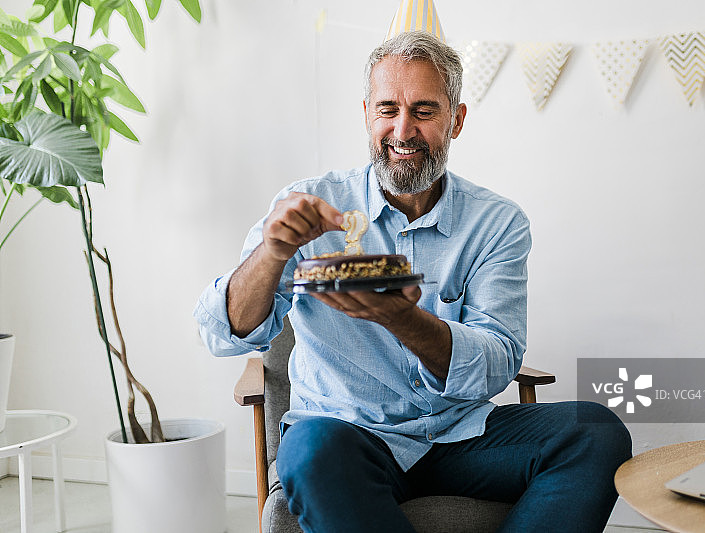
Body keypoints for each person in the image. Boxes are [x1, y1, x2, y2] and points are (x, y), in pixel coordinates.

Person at [194, 31, 631, 533]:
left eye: (424, 111)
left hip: (460, 436)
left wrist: (404, 319)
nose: (403, 130)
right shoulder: (307, 204)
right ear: (366, 115)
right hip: (349, 438)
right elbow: (221, 334)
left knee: (595, 431)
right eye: (387, 109)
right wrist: (272, 254)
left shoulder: (497, 223)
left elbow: (497, 361)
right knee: (309, 449)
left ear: (457, 120)